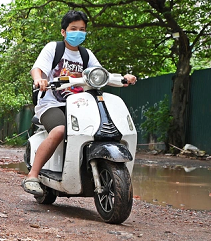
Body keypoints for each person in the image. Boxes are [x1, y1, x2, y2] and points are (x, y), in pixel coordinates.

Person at [22, 10, 137, 195]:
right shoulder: (54, 48)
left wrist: (123, 78)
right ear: (63, 31)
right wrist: (39, 79)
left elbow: (101, 75)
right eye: (73, 28)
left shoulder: (86, 55)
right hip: (51, 103)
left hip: (80, 105)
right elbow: (37, 69)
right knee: (59, 130)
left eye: (82, 29)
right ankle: (32, 176)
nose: (78, 33)